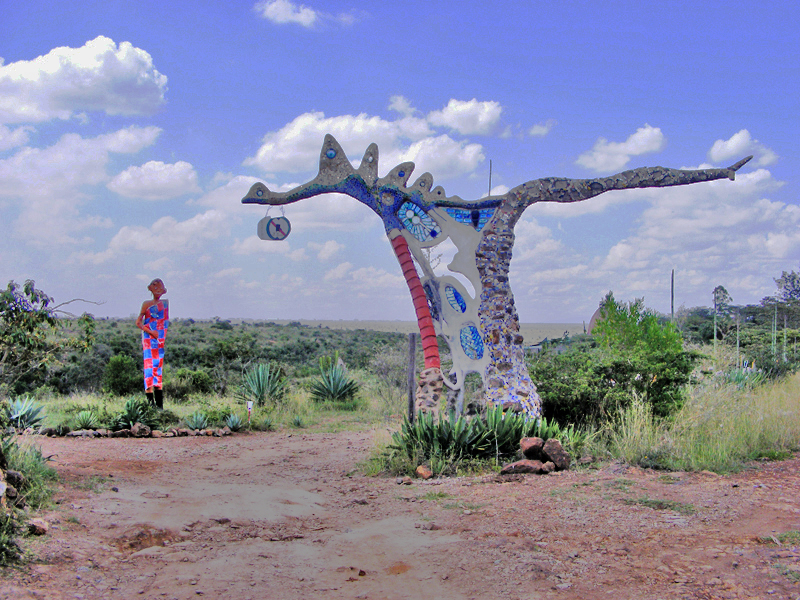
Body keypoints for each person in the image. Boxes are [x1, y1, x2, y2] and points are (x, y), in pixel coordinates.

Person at [136, 278, 169, 409]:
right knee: (149, 370)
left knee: (158, 370)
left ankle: (160, 408)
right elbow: (138, 322)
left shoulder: (164, 304)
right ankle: (151, 405)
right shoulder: (146, 304)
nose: (158, 292)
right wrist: (150, 331)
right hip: (149, 340)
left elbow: (163, 323)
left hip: (159, 341)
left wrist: (158, 335)